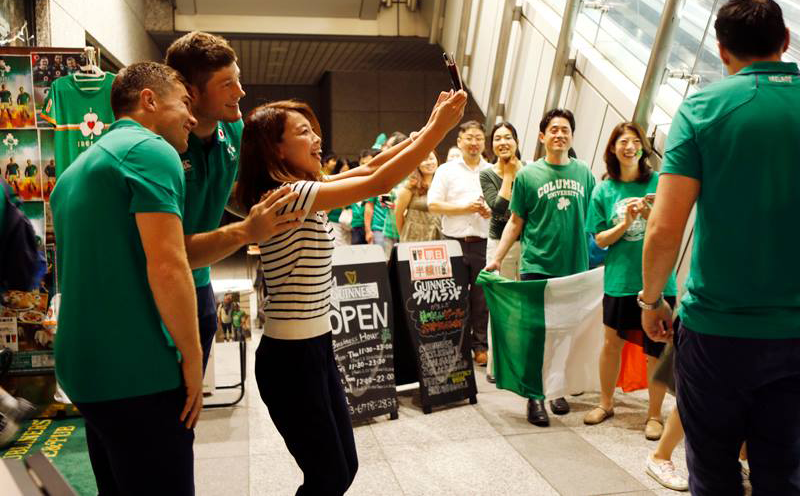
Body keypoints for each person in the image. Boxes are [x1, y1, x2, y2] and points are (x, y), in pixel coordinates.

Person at [236, 91, 466, 495]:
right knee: (329, 476)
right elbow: (379, 182)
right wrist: (439, 129)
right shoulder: (288, 196)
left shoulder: (305, 187)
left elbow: (373, 166)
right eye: (304, 132)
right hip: (290, 360)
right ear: (275, 148)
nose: (316, 139)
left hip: (317, 348)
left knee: (345, 467)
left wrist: (426, 128)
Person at [641, 1, 800, 494]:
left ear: (721, 49)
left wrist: (650, 300)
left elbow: (665, 228)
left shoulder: (702, 108)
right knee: (785, 472)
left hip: (717, 332)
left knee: (712, 472)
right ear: (786, 41)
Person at [50, 61, 203, 495]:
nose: (192, 117)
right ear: (149, 101)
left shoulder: (75, 172)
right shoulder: (149, 151)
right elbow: (169, 265)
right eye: (184, 103)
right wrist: (193, 359)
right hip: (136, 373)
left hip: (84, 370)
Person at [166, 31, 303, 372]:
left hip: (200, 285)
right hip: (158, 292)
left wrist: (280, 208)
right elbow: (164, 252)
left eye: (237, 81)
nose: (239, 93)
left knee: (187, 411)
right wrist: (247, 230)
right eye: (227, 84)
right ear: (191, 93)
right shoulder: (162, 144)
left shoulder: (234, 130)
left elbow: (228, 192)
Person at [485, 109, 595, 427]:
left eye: (565, 129)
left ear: (571, 136)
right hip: (537, 265)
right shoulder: (528, 175)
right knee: (537, 335)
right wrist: (498, 256)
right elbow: (515, 221)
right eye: (554, 129)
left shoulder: (584, 172)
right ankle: (535, 396)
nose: (560, 134)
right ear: (542, 136)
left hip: (574, 267)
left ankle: (556, 388)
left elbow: (592, 219)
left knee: (565, 333)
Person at [583, 122, 677, 441]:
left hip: (659, 281)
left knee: (656, 350)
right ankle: (606, 403)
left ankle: (654, 415)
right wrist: (626, 221)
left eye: (635, 141)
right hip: (619, 280)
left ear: (643, 148)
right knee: (612, 344)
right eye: (622, 141)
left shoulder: (658, 183)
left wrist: (650, 215)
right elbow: (601, 240)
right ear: (612, 149)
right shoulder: (603, 190)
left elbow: (668, 228)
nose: (629, 146)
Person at [428, 121, 492, 365]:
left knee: (480, 299)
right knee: (452, 297)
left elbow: (503, 207)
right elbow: (434, 205)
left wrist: (490, 210)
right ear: (459, 142)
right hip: (452, 242)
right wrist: (464, 208)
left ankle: (480, 346)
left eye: (478, 138)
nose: (474, 142)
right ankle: (455, 346)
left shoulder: (493, 171)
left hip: (482, 242)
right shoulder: (446, 170)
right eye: (469, 138)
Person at [479, 122, 524, 382]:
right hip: (499, 245)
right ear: (492, 145)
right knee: (500, 304)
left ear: (517, 141)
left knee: (521, 307)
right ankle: (495, 366)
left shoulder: (529, 170)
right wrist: (508, 175)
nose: (503, 142)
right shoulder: (487, 174)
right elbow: (498, 209)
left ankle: (518, 361)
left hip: (527, 244)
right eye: (498, 138)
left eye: (508, 137)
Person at [395, 151, 442, 242]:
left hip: (437, 238)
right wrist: (404, 235)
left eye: (431, 158)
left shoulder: (441, 184)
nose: (429, 162)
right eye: (424, 160)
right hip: (414, 239)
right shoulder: (410, 186)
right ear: (417, 164)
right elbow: (398, 214)